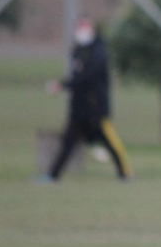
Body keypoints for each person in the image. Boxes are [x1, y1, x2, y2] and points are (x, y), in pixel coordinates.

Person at [44, 16, 132, 181]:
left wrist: (63, 85)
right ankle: (52, 176)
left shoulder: (99, 51)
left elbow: (87, 77)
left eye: (85, 26)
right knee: (67, 143)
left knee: (110, 142)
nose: (82, 30)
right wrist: (65, 85)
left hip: (96, 109)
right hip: (78, 109)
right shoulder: (77, 50)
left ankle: (125, 174)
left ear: (92, 28)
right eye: (80, 26)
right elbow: (77, 77)